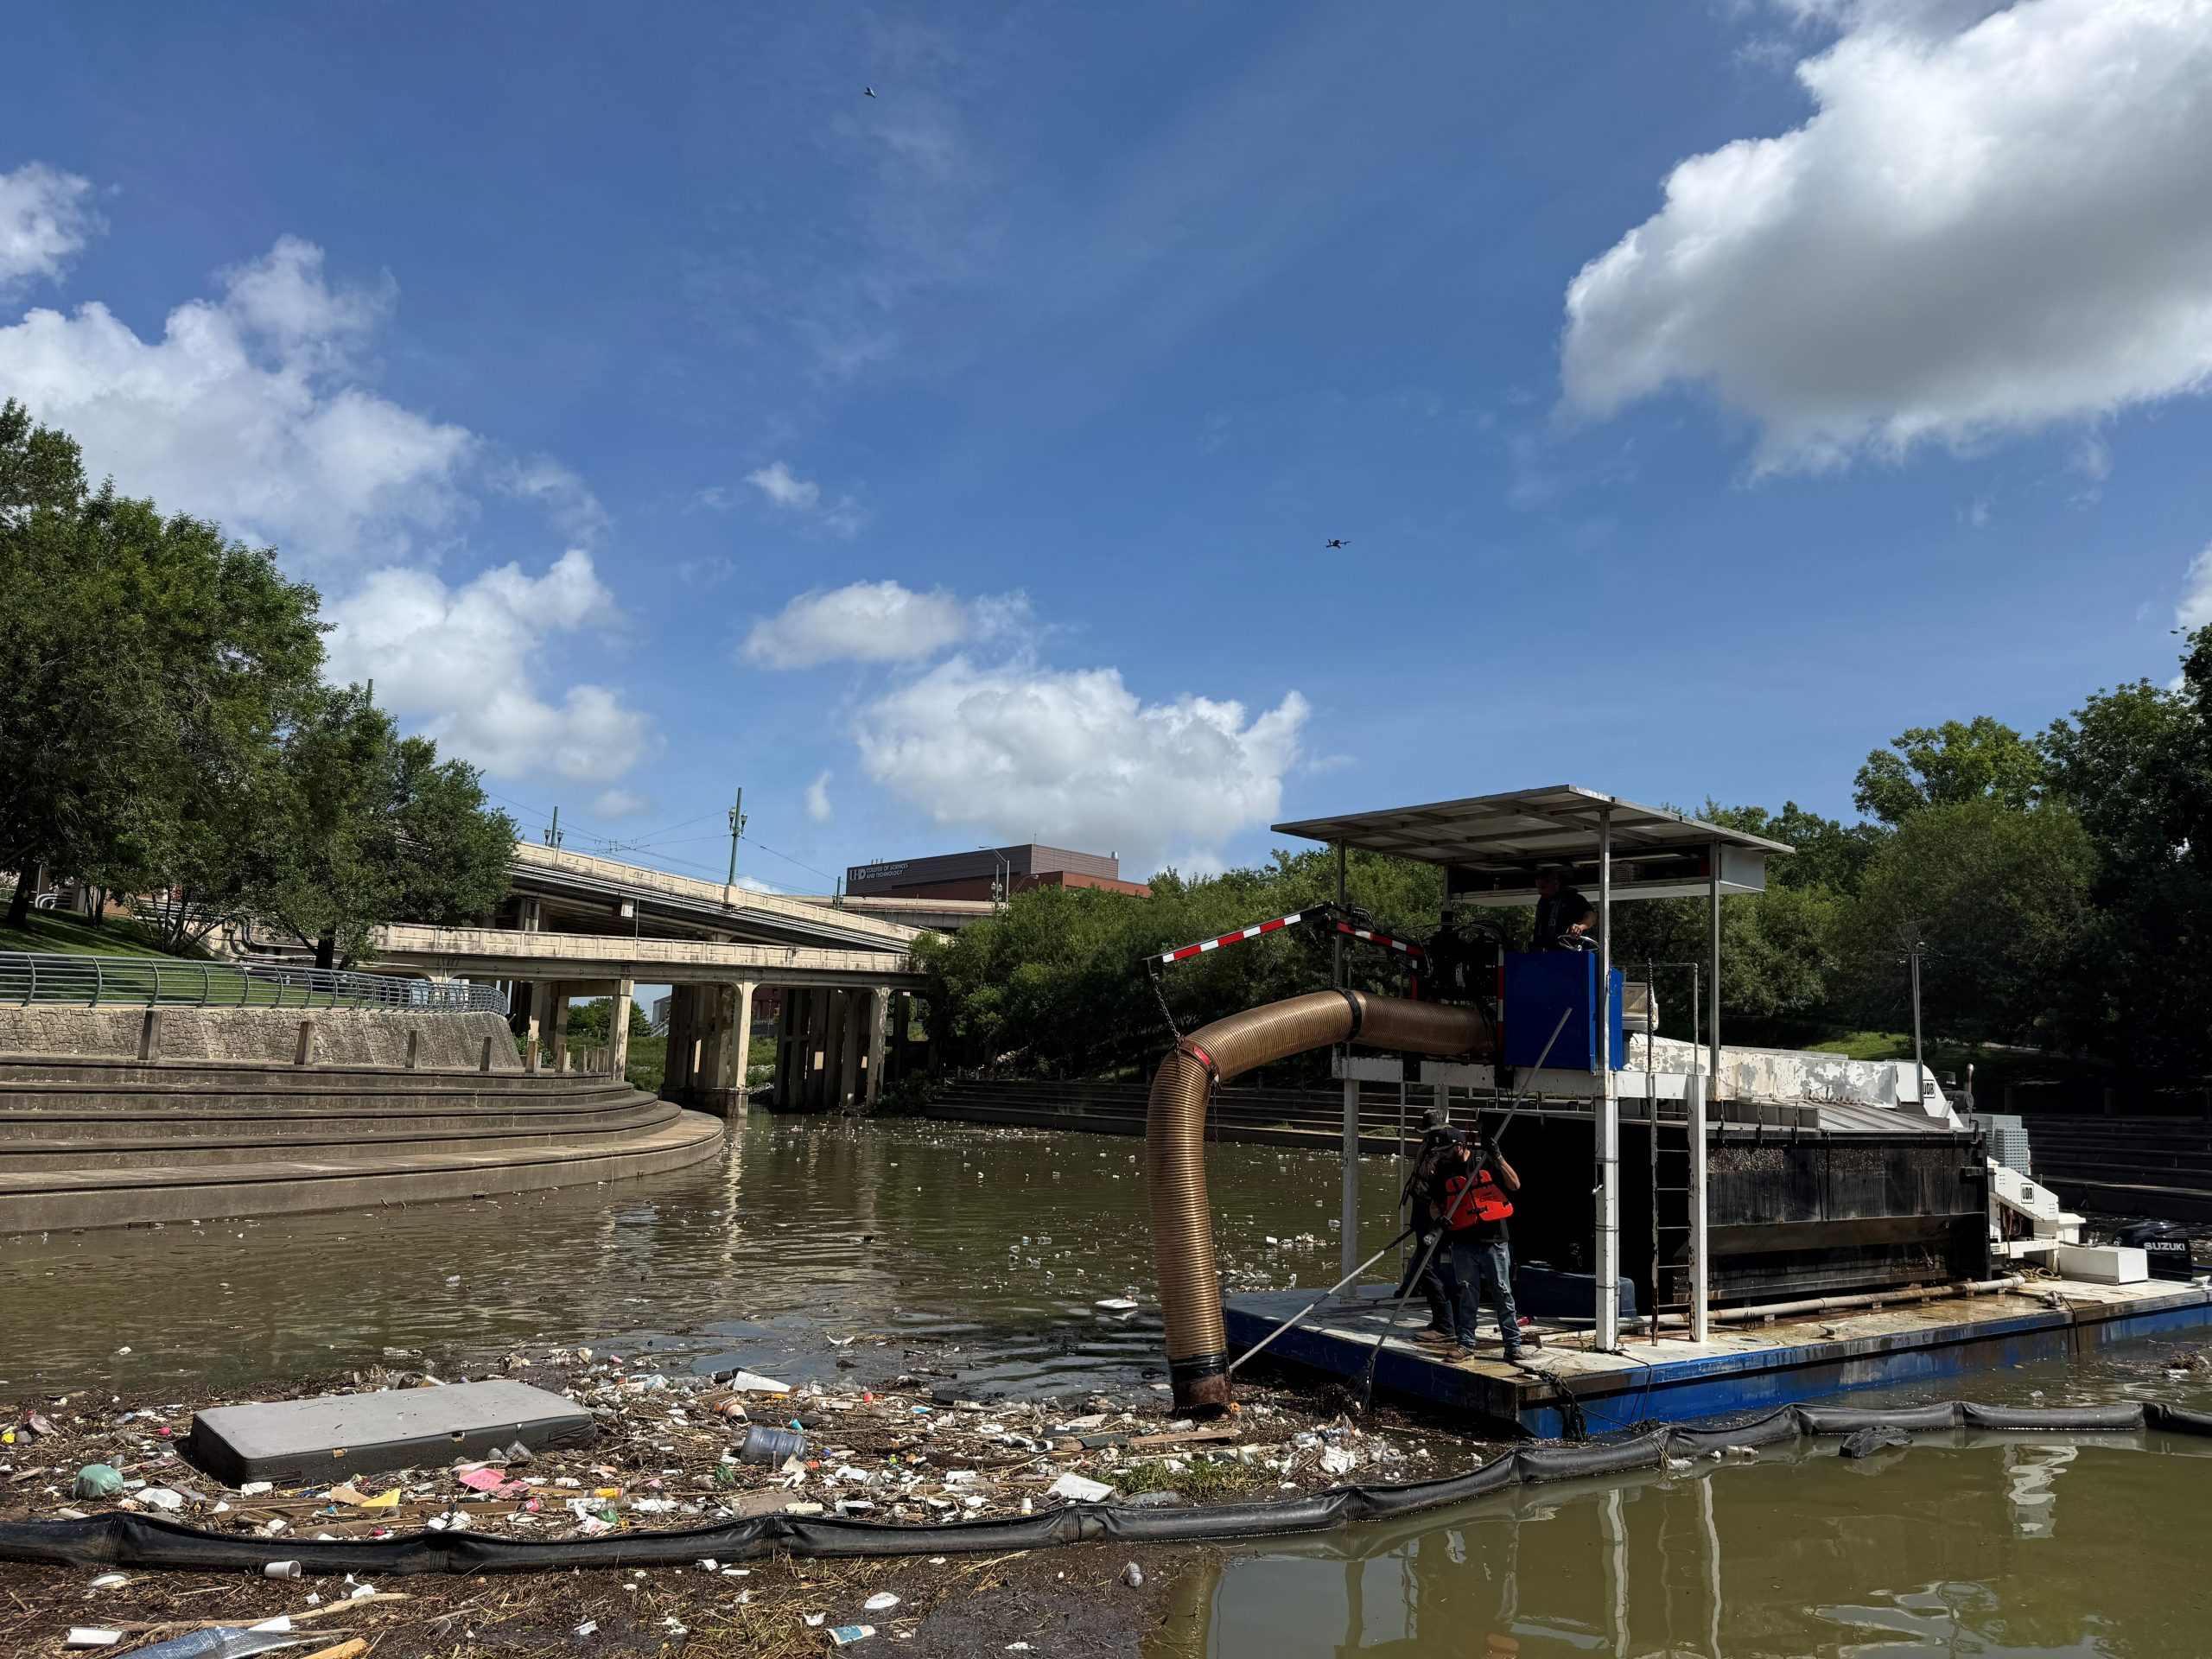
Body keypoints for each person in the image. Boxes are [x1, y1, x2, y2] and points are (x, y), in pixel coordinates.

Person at [1435, 1127, 1530, 1363]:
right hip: (1463, 1243)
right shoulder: (1443, 1170)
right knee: (1468, 1295)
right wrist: (1439, 1218)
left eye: (1445, 1150)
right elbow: (1435, 1204)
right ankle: (1466, 1345)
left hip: (1494, 1242)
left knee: (1503, 1294)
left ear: (1459, 1147)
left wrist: (1498, 1156)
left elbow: (1515, 1185)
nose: (1442, 1155)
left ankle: (1513, 1346)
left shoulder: (1484, 1161)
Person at [1398, 1108, 1466, 1350]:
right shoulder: (1430, 1143)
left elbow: (1445, 1185)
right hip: (1422, 1208)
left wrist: (1437, 1213)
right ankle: (1445, 1321)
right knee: (1426, 1265)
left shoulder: (1445, 1151)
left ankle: (1446, 1326)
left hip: (1434, 1211)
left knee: (1429, 1267)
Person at [1531, 869, 1594, 952]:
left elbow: (1591, 916)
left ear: (1555, 884)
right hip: (1546, 953)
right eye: (1538, 888)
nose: (1540, 891)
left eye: (1543, 887)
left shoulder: (1573, 898)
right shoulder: (1543, 903)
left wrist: (1580, 926)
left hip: (1570, 951)